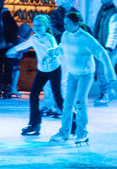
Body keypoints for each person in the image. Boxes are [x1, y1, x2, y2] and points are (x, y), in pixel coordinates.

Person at [48, 11, 113, 144]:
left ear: (76, 24)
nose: (65, 26)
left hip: (85, 75)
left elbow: (101, 52)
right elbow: (62, 49)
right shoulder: (65, 35)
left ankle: (82, 133)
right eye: (64, 23)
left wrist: (109, 71)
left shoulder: (86, 38)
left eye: (68, 23)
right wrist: (52, 53)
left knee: (80, 102)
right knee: (67, 103)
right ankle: (64, 132)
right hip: (72, 74)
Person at [7, 15, 62, 136]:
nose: (36, 28)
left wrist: (50, 56)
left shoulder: (49, 38)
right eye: (35, 25)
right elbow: (24, 45)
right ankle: (34, 124)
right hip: (42, 70)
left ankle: (73, 122)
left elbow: (55, 50)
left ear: (46, 26)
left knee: (58, 98)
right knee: (33, 95)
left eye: (39, 25)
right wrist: (13, 50)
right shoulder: (34, 38)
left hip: (54, 69)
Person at [91, 0, 117, 106]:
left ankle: (107, 94)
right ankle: (107, 92)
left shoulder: (114, 13)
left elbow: (114, 32)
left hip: (107, 48)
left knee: (102, 70)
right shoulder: (103, 9)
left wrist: (109, 47)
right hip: (100, 46)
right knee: (99, 70)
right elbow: (98, 27)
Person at [0, 0, 19, 98]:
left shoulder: (5, 14)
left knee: (7, 67)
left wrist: (11, 41)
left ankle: (6, 88)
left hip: (7, 45)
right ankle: (0, 88)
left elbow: (13, 28)